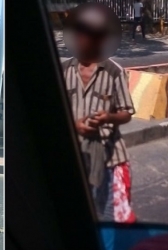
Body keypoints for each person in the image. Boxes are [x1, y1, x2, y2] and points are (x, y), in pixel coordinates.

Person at [62, 4, 136, 223]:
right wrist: (75, 125)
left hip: (110, 159)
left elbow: (127, 113)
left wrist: (109, 117)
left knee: (112, 219)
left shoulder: (114, 72)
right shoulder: (64, 71)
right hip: (78, 157)